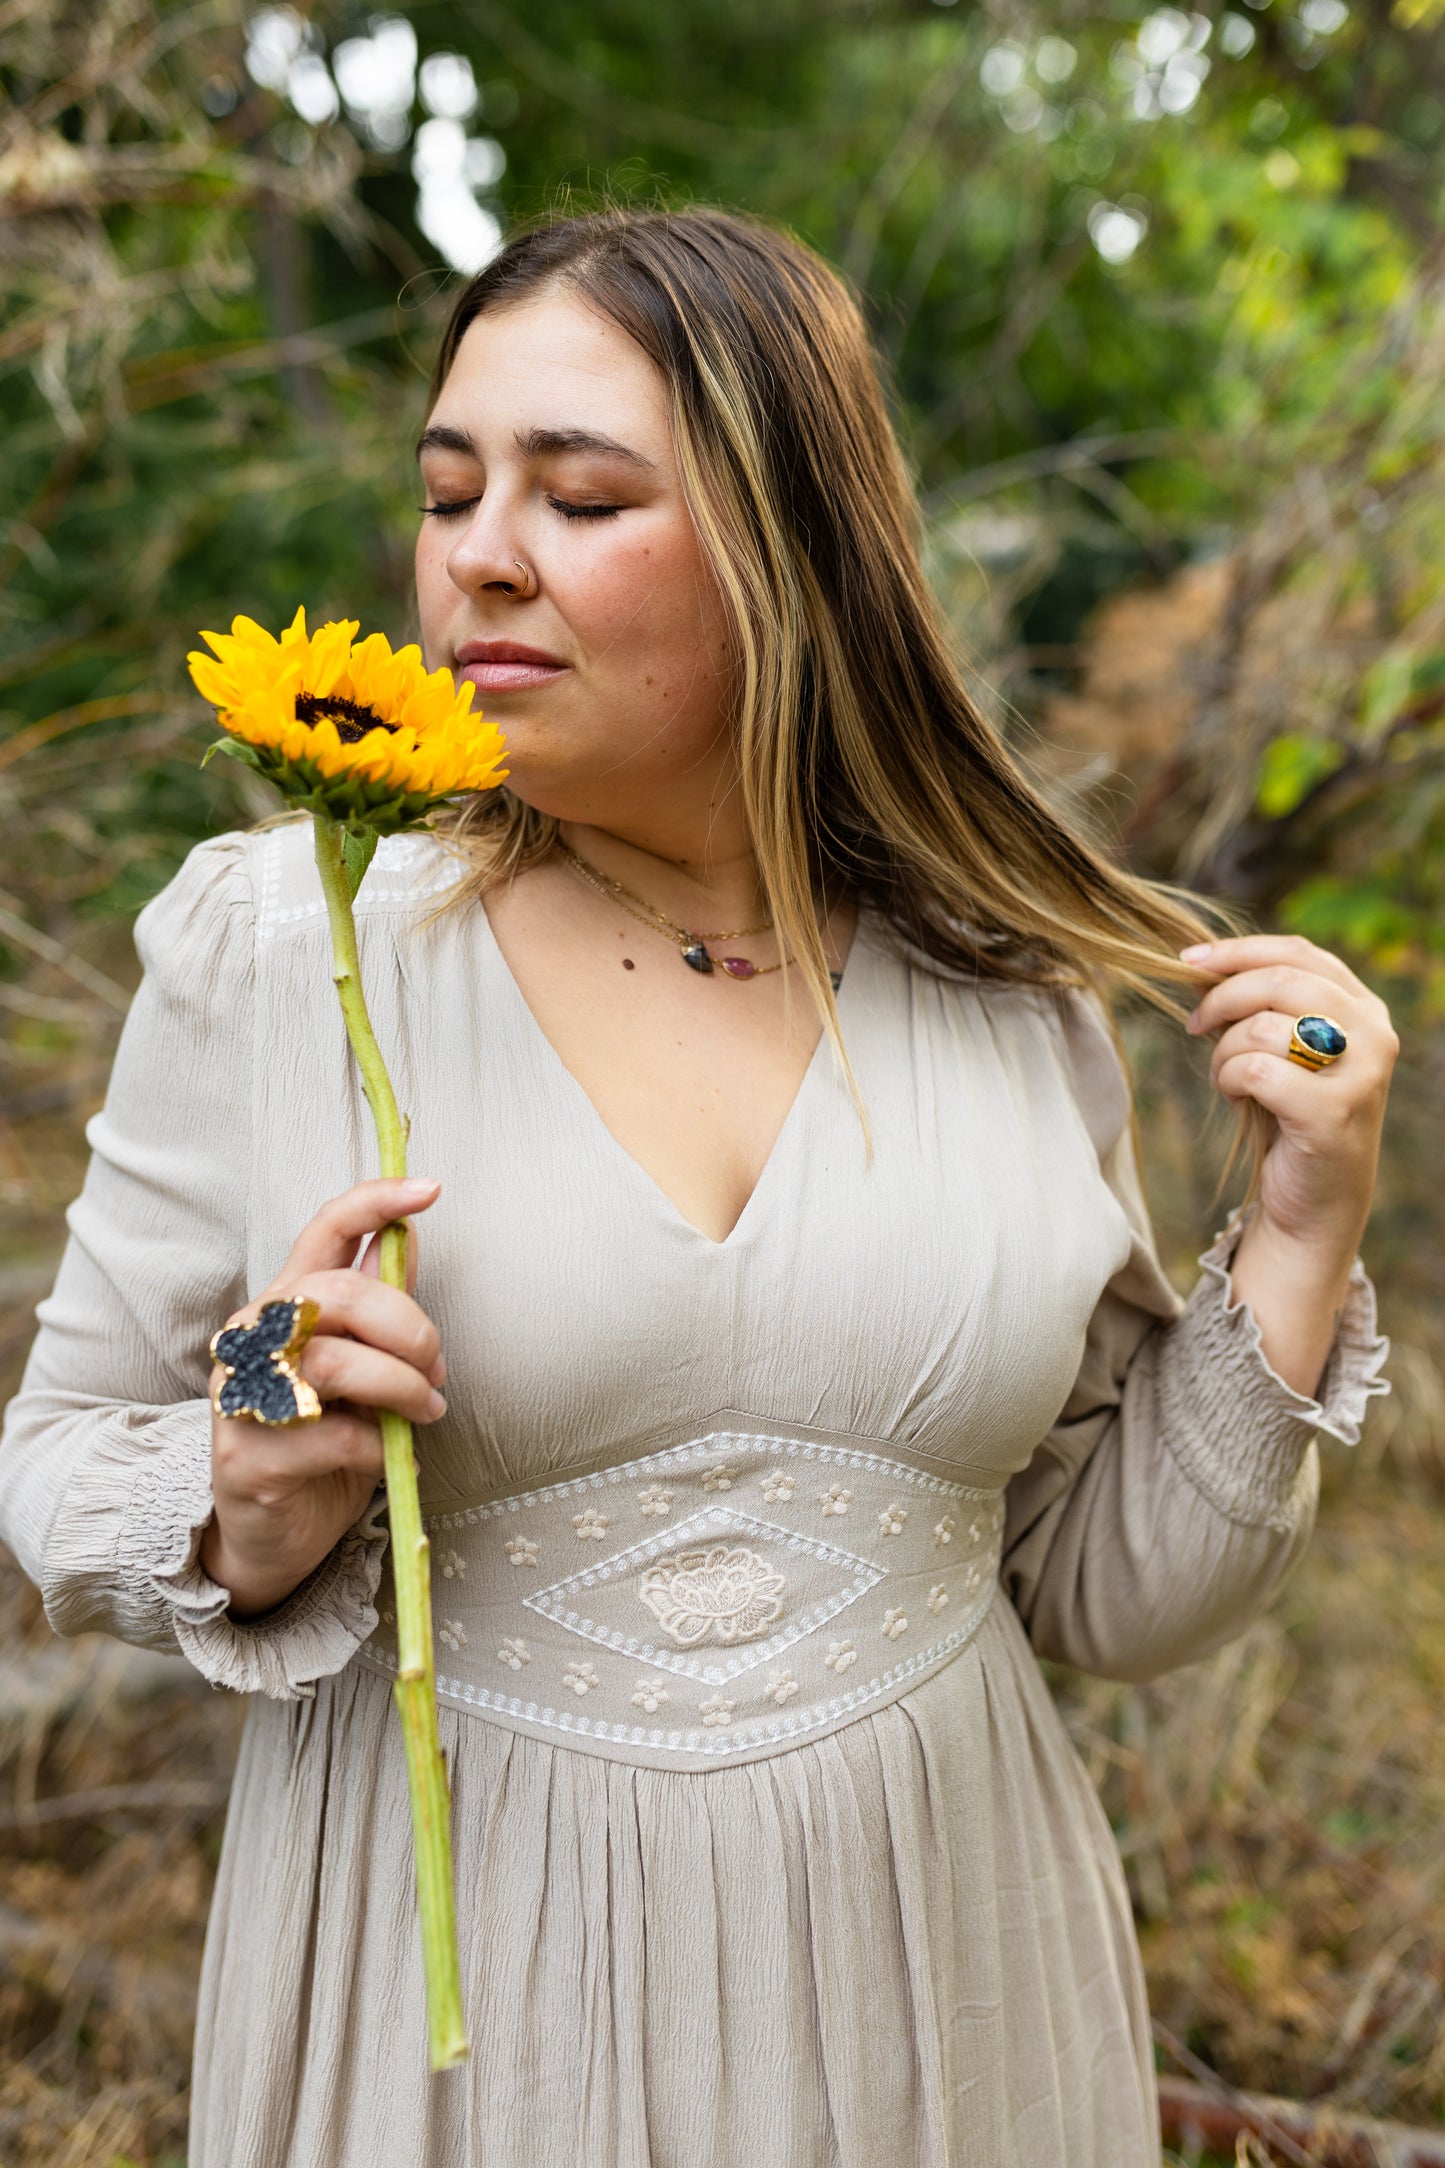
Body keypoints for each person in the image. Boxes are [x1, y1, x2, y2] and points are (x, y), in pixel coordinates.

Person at [0, 208, 1394, 2168]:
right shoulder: (287, 944)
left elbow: (1103, 1584)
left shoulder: (1004, 990)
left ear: (792, 552)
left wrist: (1306, 1226)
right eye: (450, 490)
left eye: (580, 498)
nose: (481, 555)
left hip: (946, 2005)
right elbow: (57, 1453)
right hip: (463, 2036)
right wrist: (244, 1491)